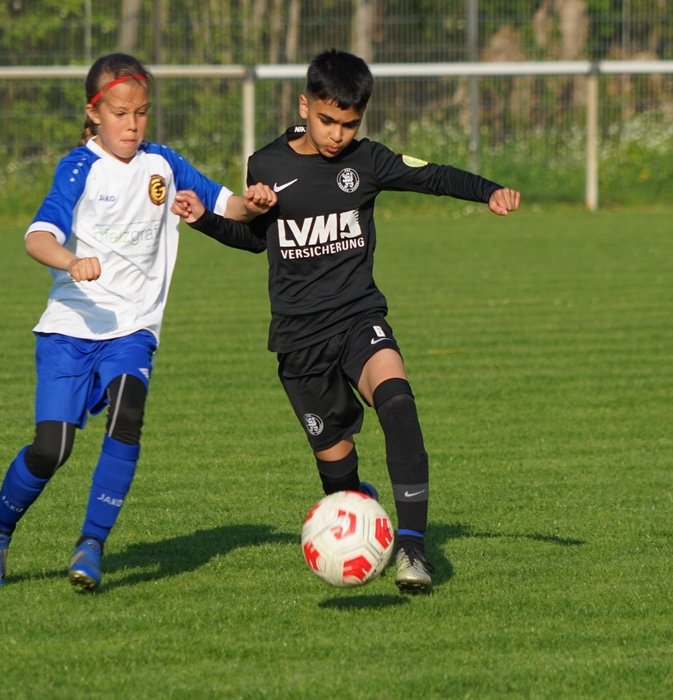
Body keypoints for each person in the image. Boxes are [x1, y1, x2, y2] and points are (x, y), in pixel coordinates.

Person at [173, 49, 521, 593]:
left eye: (349, 124)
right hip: (298, 339)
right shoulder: (268, 165)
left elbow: (432, 176)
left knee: (398, 402)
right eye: (327, 120)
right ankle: (361, 509)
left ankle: (412, 550)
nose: (337, 135)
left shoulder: (368, 161)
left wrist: (489, 191)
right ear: (304, 106)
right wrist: (205, 220)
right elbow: (256, 240)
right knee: (339, 472)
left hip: (358, 316)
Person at [0, 53, 276, 591]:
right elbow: (37, 237)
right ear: (94, 113)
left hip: (133, 328)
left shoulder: (164, 164)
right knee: (52, 449)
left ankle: (91, 544)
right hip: (69, 328)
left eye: (141, 112)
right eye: (119, 113)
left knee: (127, 415)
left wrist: (254, 202)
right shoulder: (79, 168)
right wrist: (71, 261)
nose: (132, 124)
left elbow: (228, 206)